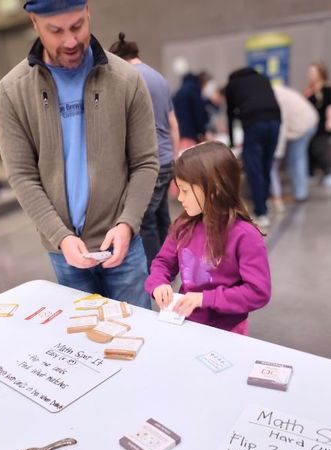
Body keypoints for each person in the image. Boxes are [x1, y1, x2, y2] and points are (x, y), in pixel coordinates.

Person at [0, 1, 158, 307]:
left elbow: (145, 162)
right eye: (55, 31)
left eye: (77, 26)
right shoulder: (11, 91)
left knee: (137, 338)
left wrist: (127, 224)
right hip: (65, 251)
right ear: (34, 22)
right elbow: (22, 175)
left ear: (88, 11)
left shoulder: (126, 79)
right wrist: (61, 236)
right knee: (83, 345)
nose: (70, 41)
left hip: (123, 242)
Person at [145, 141, 271, 335]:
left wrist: (205, 298)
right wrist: (158, 283)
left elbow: (257, 291)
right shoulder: (183, 225)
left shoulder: (245, 236)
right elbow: (162, 262)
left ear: (214, 191)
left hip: (228, 330)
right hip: (185, 323)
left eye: (185, 191)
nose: (180, 198)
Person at [109, 33, 180, 266]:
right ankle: (171, 264)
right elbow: (173, 122)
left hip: (149, 159)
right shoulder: (158, 77)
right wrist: (175, 156)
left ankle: (156, 273)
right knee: (161, 216)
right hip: (167, 156)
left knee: (145, 220)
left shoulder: (128, 78)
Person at [223, 66, 281, 227]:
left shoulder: (233, 84)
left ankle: (261, 212)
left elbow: (229, 113)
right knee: (266, 165)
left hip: (254, 123)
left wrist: (232, 141)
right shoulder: (263, 78)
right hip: (275, 121)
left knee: (253, 167)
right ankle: (264, 202)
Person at [270, 84, 319, 207]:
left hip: (304, 124)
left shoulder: (276, 96)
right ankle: (299, 192)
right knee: (297, 158)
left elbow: (282, 125)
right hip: (308, 120)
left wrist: (278, 153)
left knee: (296, 158)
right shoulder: (275, 91)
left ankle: (300, 194)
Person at [305, 62, 331, 185]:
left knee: (321, 149)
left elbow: (329, 107)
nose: (310, 75)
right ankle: (310, 173)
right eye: (309, 72)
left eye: (313, 72)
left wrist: (329, 120)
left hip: (321, 125)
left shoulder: (326, 89)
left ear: (320, 74)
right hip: (308, 126)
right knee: (309, 149)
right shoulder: (308, 91)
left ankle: (328, 172)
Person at [172, 73, 210, 150]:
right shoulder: (193, 90)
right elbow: (199, 112)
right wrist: (202, 131)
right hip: (189, 133)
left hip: (179, 132)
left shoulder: (179, 91)